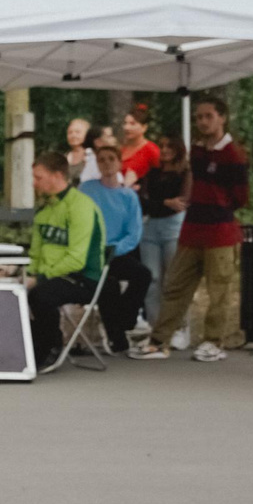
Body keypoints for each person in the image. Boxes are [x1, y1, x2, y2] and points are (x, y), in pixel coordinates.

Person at [136, 97, 248, 362]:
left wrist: (219, 205)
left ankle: (213, 341)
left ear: (222, 117)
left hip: (220, 229)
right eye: (198, 117)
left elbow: (241, 196)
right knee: (175, 284)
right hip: (192, 228)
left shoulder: (234, 154)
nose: (203, 122)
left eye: (208, 116)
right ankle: (160, 339)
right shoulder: (197, 151)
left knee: (218, 289)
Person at [25, 152, 107, 369]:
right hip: (50, 276)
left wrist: (39, 279)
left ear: (57, 175)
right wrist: (23, 275)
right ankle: (29, 346)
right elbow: (36, 254)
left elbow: (76, 260)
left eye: (38, 177)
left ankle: (50, 346)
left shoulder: (81, 206)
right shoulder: (44, 211)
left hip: (82, 278)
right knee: (13, 292)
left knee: (40, 295)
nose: (34, 183)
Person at [86, 144, 147, 355]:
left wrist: (115, 249)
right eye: (101, 159)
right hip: (92, 251)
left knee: (143, 275)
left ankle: (123, 321)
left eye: (111, 158)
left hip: (116, 251)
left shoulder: (128, 196)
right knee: (108, 285)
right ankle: (116, 338)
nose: (107, 163)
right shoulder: (87, 189)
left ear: (119, 163)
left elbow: (134, 232)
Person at [136, 132, 189, 329]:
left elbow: (183, 202)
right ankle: (155, 325)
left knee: (173, 280)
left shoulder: (184, 173)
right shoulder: (152, 173)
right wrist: (166, 203)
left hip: (173, 228)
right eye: (163, 146)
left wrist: (157, 204)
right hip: (150, 227)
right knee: (152, 279)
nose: (165, 151)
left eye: (170, 147)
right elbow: (142, 201)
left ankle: (177, 326)